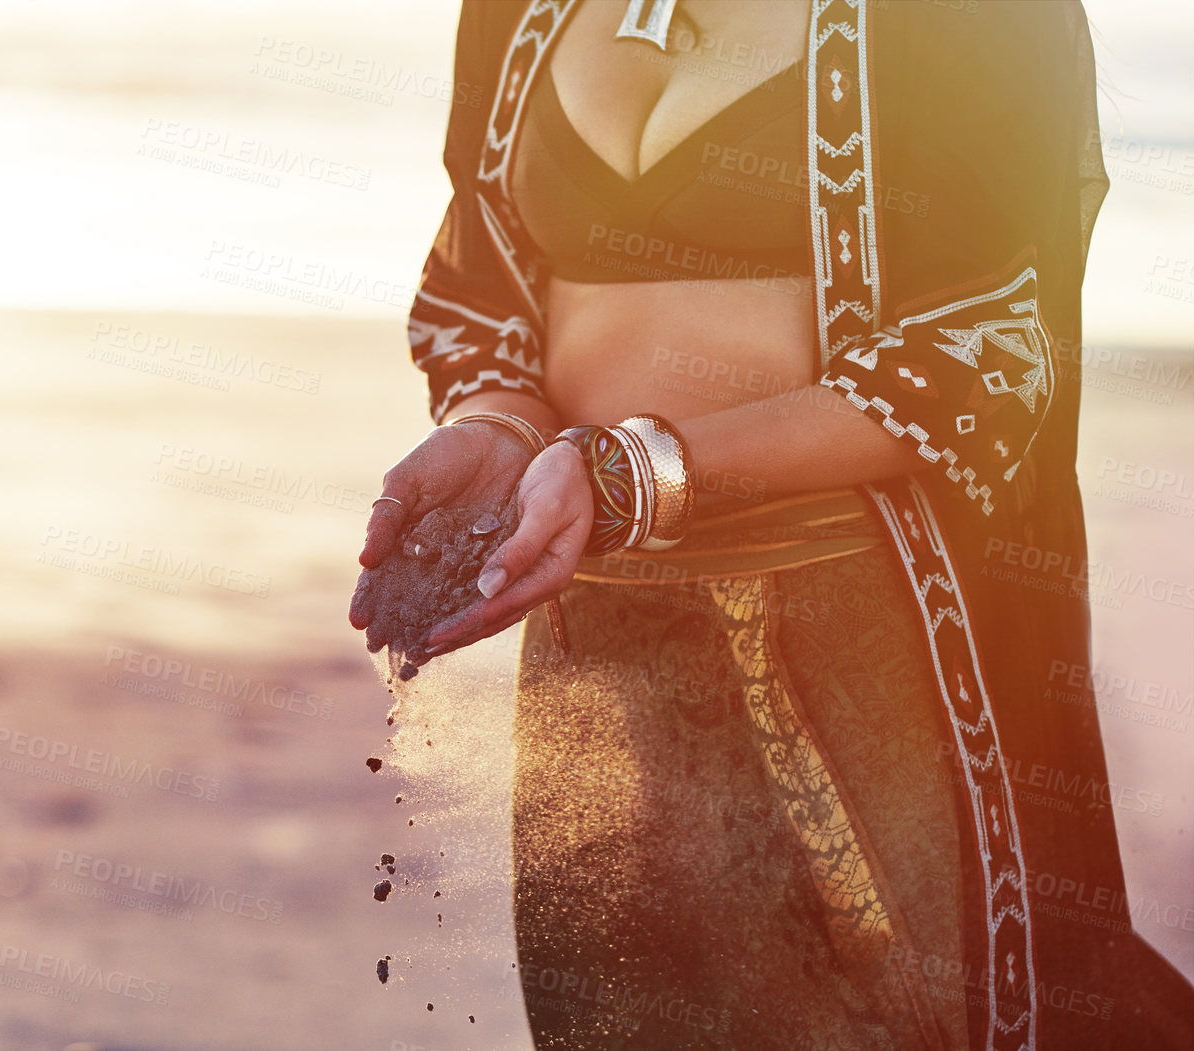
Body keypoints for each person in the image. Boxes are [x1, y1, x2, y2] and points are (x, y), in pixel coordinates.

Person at [349, 1, 1194, 1047]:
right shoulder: (517, 12)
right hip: (600, 629)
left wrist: (635, 474)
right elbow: (481, 300)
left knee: (916, 1014)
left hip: (862, 631)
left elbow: (989, 354)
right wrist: (499, 427)